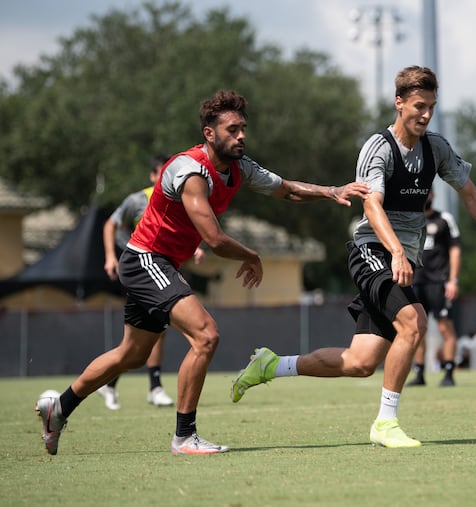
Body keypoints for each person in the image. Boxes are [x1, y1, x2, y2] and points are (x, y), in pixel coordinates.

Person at [34, 89, 370, 456]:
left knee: (130, 355)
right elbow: (213, 238)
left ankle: (60, 407)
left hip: (159, 264)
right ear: (210, 134)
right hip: (146, 259)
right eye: (232, 129)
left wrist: (331, 190)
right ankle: (184, 437)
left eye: (243, 128)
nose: (241, 135)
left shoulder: (240, 168)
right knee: (206, 335)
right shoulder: (190, 171)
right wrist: (251, 255)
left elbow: (286, 190)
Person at [231, 66, 476, 448]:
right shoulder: (378, 148)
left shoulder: (437, 149)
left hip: (402, 259)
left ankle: (271, 364)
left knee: (360, 362)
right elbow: (372, 207)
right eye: (419, 106)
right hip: (372, 251)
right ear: (399, 103)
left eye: (431, 106)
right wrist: (396, 251)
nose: (426, 114)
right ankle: (385, 423)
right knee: (414, 324)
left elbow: (470, 193)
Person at [97, 154, 204, 410]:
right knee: (157, 327)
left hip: (161, 269)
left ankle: (110, 384)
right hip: (141, 269)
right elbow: (110, 225)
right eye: (161, 173)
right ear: (153, 176)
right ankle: (154, 387)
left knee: (141, 339)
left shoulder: (178, 200)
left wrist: (195, 247)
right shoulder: (138, 200)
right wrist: (111, 257)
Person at [406, 191, 462, 387]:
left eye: (427, 192)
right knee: (417, 329)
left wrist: (453, 280)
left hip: (438, 282)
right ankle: (419, 373)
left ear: (433, 194)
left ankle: (448, 373)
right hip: (415, 282)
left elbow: (455, 249)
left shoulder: (444, 219)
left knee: (445, 327)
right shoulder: (409, 220)